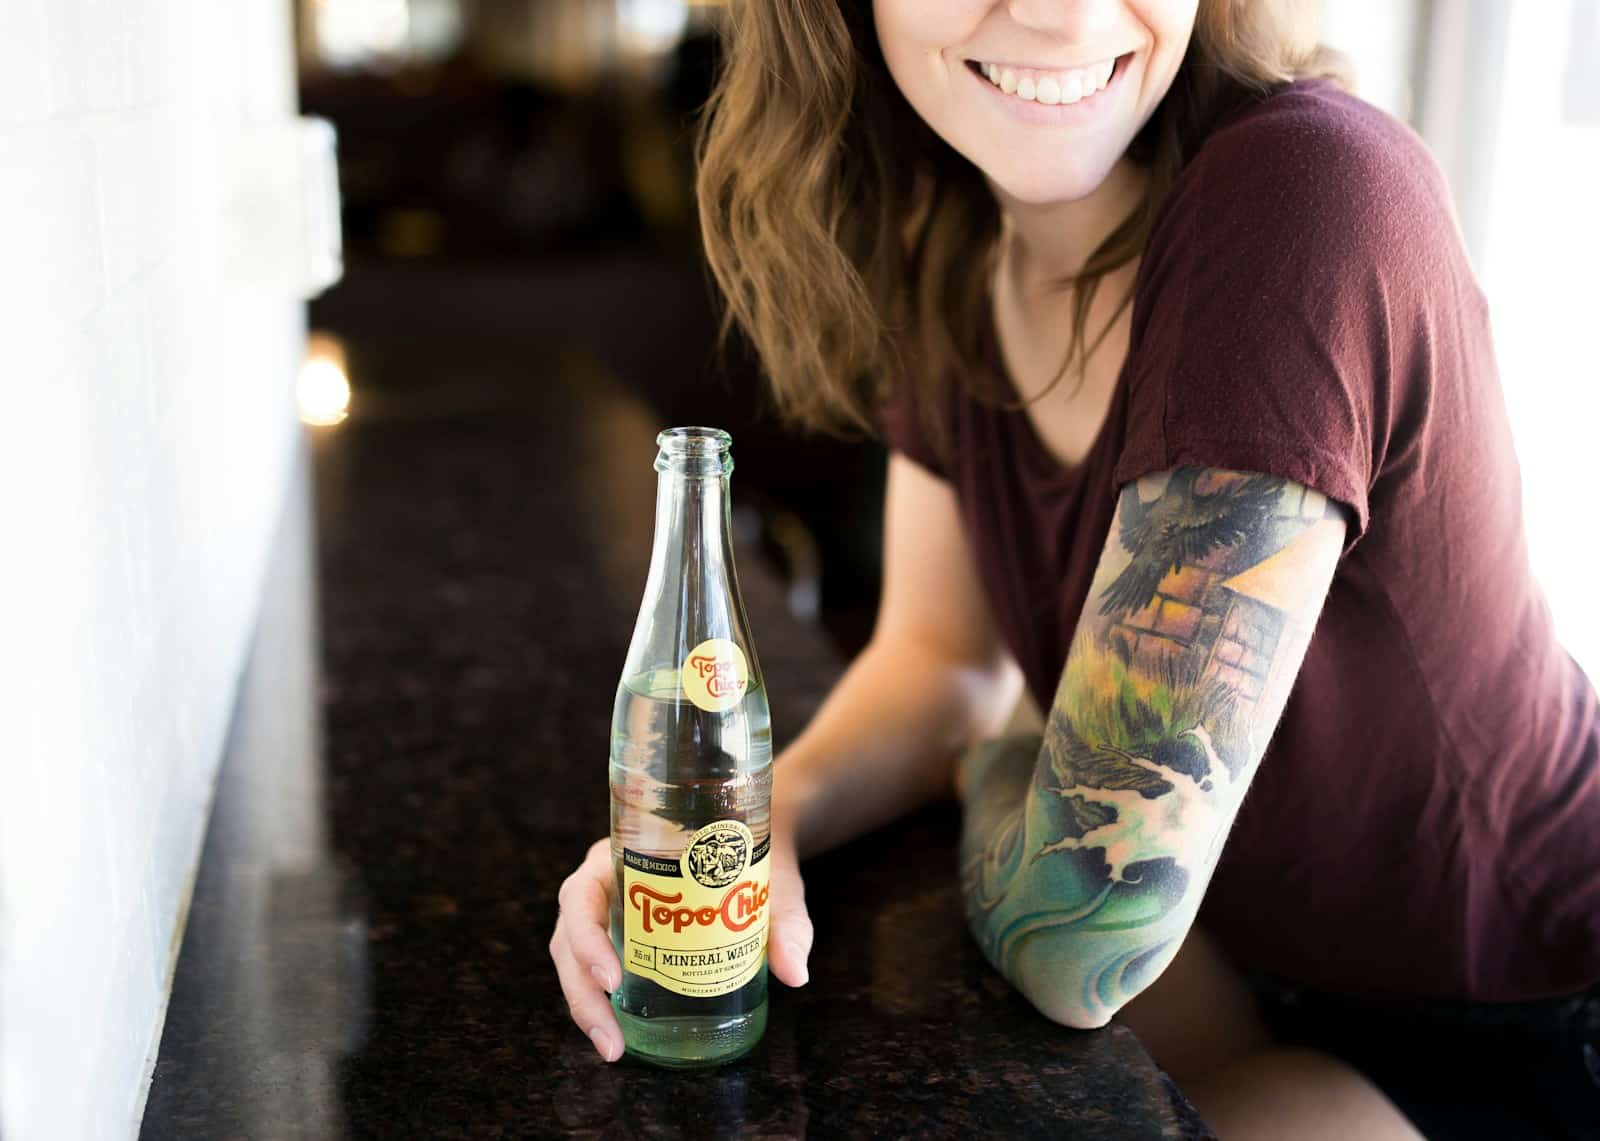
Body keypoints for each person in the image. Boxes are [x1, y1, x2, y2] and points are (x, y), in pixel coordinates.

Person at [550, 1, 1600, 1135]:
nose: (1059, 11)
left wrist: (1004, 757)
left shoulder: (1302, 198)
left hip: (1511, 1019)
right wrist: (747, 832)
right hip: (1235, 970)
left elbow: (1087, 935)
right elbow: (942, 660)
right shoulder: (949, 246)